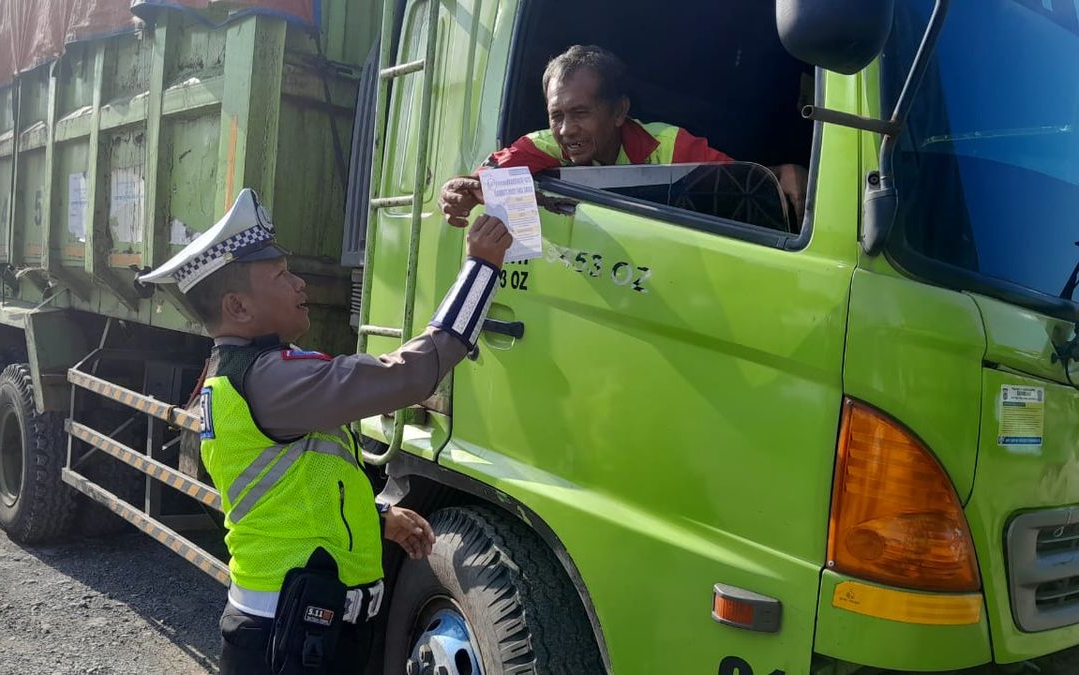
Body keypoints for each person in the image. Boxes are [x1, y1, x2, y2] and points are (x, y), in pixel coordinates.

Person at [139, 188, 512, 674]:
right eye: (279, 275)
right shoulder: (270, 378)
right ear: (239, 307)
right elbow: (411, 374)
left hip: (300, 628)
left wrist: (378, 518)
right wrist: (482, 268)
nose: (299, 284)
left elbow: (297, 490)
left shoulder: (242, 372)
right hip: (294, 639)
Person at [440, 44, 809, 226]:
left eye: (581, 113)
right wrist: (460, 191)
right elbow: (487, 175)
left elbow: (738, 184)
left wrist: (781, 174)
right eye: (557, 115)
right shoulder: (543, 145)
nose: (567, 130)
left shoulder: (669, 145)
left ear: (619, 111)